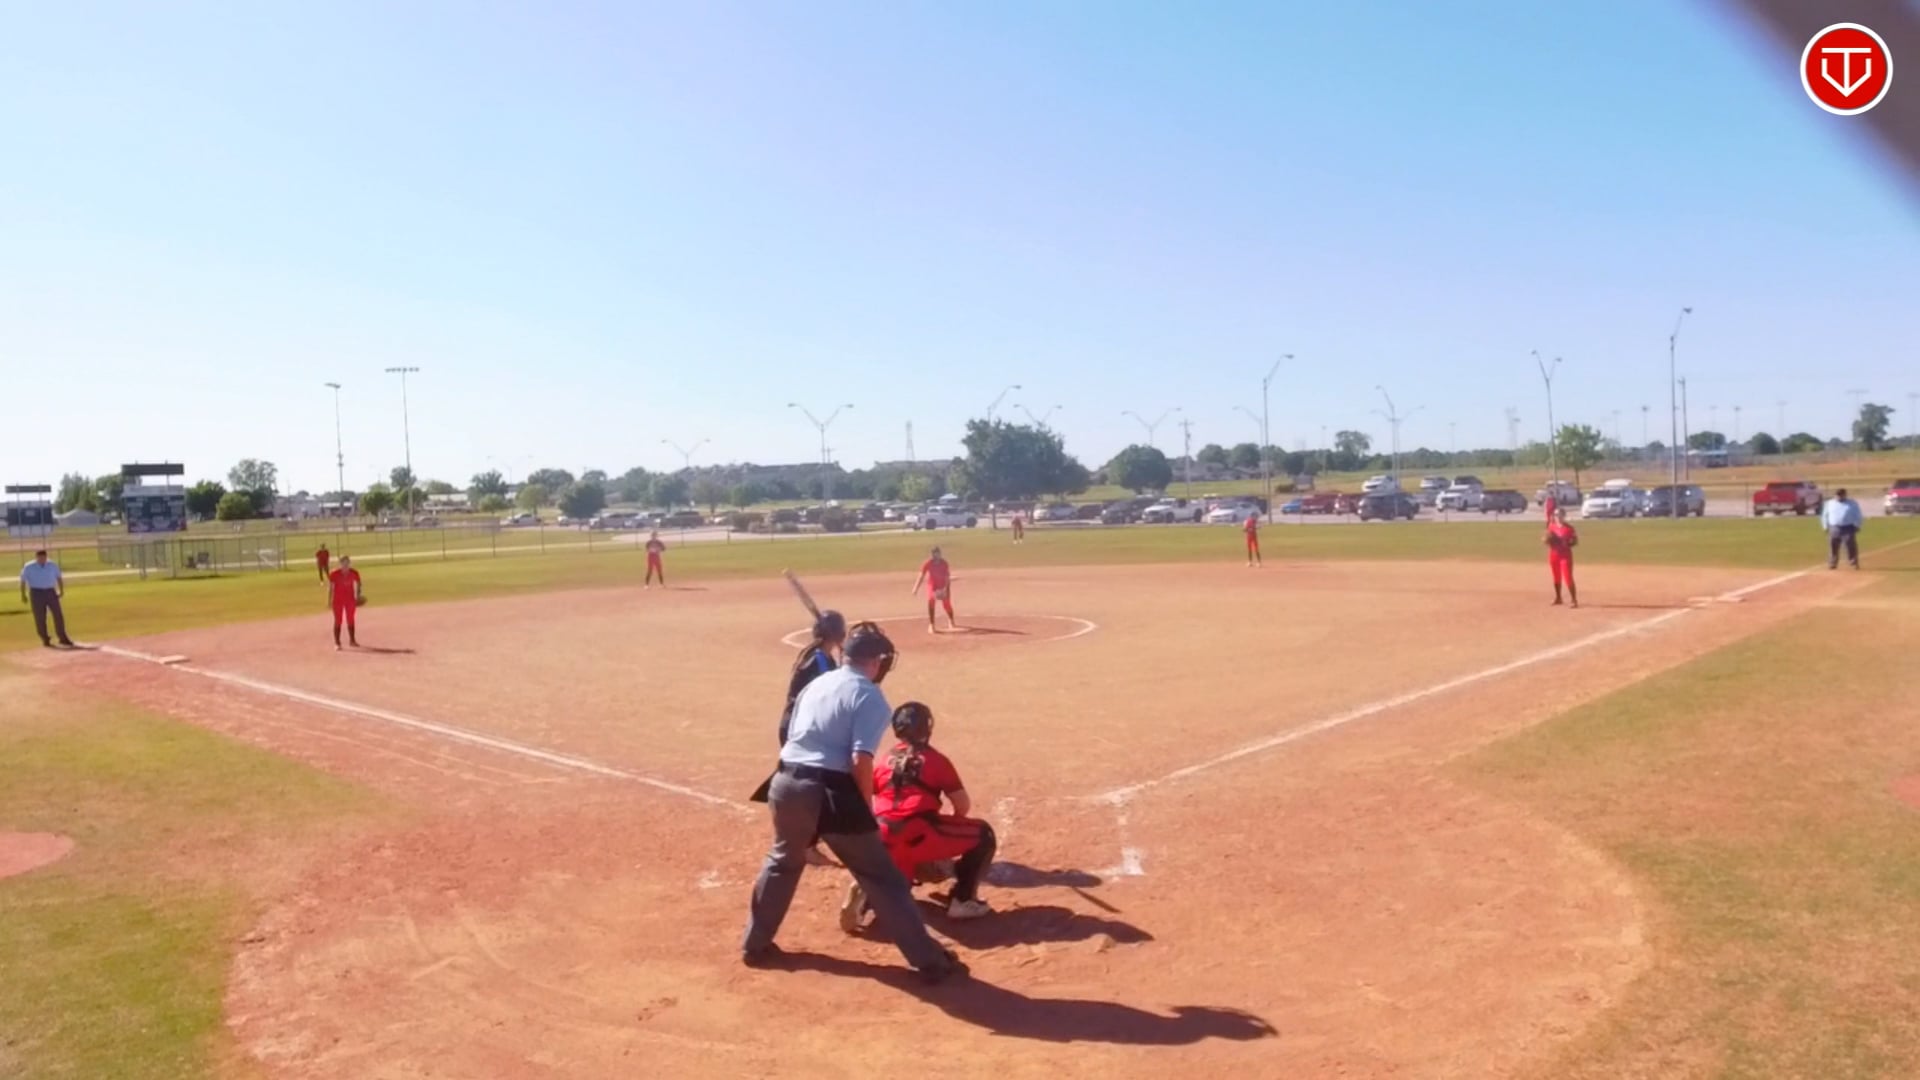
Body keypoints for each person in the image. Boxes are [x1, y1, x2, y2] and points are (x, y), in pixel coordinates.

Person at [741, 625, 964, 984]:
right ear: (876, 661)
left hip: (784, 782)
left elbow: (790, 733)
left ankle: (755, 944)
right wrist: (863, 808)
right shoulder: (869, 696)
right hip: (829, 789)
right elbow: (861, 760)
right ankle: (931, 962)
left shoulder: (817, 684)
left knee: (782, 860)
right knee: (881, 876)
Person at [848, 701, 996, 929]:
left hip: (881, 838)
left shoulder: (885, 760)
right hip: (918, 833)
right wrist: (944, 840)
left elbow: (865, 795)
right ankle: (963, 900)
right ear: (927, 728)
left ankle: (869, 896)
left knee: (900, 882)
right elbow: (962, 806)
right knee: (984, 835)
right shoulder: (935, 760)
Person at [19, 550, 74, 648]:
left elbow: (59, 578)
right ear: (36, 557)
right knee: (40, 617)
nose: (42, 560)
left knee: (58, 614)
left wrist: (61, 590)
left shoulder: (52, 565)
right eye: (40, 558)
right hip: (36, 592)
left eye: (44, 558)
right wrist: (23, 594)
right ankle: (45, 638)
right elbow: (23, 581)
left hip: (50, 591)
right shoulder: (29, 566)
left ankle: (62, 637)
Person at [910, 546, 957, 633]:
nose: (936, 556)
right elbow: (921, 575)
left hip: (943, 585)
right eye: (934, 554)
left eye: (938, 554)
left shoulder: (944, 563)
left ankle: (951, 619)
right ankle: (931, 624)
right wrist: (915, 588)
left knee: (946, 604)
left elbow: (947, 577)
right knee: (931, 600)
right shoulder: (928, 563)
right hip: (933, 585)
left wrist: (944, 589)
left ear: (940, 554)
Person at [1821, 488, 1863, 570]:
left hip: (1848, 527)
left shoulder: (1852, 503)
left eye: (1841, 495)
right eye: (1837, 495)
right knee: (1833, 545)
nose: (1839, 497)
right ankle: (1833, 562)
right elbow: (1825, 515)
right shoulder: (1830, 503)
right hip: (1834, 527)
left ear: (1845, 495)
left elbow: (1858, 515)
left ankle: (1853, 561)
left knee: (1850, 544)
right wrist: (1825, 526)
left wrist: (1858, 525)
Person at [1545, 507, 1579, 608]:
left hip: (1565, 556)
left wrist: (1567, 543)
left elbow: (1575, 541)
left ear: (1564, 516)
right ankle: (1558, 598)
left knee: (1568, 577)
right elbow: (1547, 539)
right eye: (1556, 515)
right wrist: (1547, 540)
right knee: (1556, 577)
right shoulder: (1551, 527)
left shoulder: (1569, 529)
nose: (1558, 517)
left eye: (1560, 515)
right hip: (1554, 555)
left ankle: (1574, 600)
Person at [328, 555, 363, 649]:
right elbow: (331, 588)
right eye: (343, 563)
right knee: (338, 620)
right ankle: (337, 643)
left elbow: (359, 584)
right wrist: (329, 601)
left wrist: (358, 596)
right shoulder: (334, 574)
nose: (346, 565)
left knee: (350, 619)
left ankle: (352, 641)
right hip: (337, 600)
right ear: (340, 564)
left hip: (350, 600)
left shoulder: (354, 573)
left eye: (347, 563)